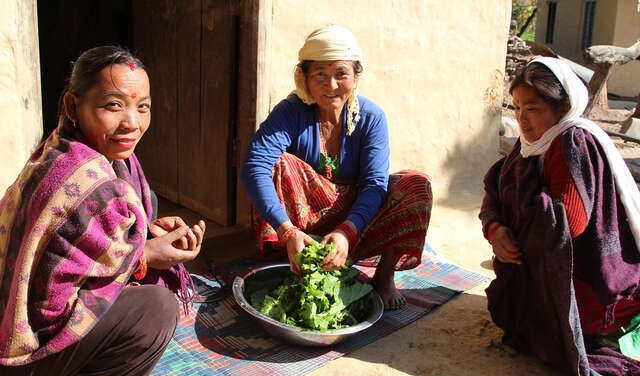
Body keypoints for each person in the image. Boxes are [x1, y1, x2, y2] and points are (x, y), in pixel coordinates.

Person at [0, 46, 206, 375]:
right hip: (27, 350)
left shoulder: (64, 146)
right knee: (156, 310)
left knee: (146, 203)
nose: (132, 123)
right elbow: (47, 309)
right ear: (73, 105)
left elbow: (90, 241)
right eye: (113, 105)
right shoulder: (88, 180)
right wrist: (144, 256)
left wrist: (147, 235)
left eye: (143, 107)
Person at [240, 25, 432, 310]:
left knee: (416, 184)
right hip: (304, 224)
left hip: (357, 222)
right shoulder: (291, 111)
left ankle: (384, 276)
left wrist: (347, 231)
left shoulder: (371, 118)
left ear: (355, 76)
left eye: (341, 73)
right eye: (320, 74)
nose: (331, 85)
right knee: (277, 164)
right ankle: (295, 262)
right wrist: (287, 231)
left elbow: (374, 183)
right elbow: (254, 164)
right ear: (304, 76)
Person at [480, 57, 640, 375]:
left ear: (563, 106)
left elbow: (567, 226)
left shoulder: (573, 143)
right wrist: (496, 229)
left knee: (552, 332)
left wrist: (518, 199)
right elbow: (496, 191)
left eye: (533, 108)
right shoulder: (530, 145)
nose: (522, 120)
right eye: (517, 108)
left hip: (589, 271)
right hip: (541, 261)